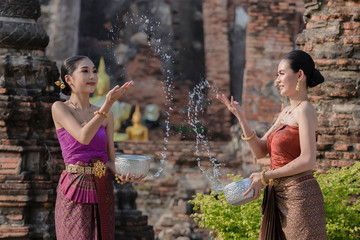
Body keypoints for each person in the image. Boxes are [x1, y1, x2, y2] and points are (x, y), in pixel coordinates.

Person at [217, 50, 327, 239]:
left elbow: (308, 160)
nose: (277, 80)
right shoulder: (285, 113)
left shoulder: (305, 110)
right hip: (279, 195)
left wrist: (266, 175)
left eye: (282, 74)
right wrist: (242, 118)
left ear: (299, 75)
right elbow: (260, 151)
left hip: (300, 198)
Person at [52, 55, 144, 240]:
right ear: (68, 79)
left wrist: (126, 173)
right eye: (85, 71)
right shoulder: (60, 108)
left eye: (94, 71)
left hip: (102, 186)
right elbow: (83, 137)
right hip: (75, 188)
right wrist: (108, 103)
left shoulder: (106, 115)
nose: (92, 76)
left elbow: (109, 160)